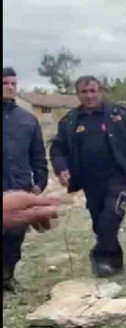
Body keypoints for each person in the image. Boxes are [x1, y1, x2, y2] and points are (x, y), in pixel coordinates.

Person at [49, 75, 126, 278]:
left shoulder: (119, 114)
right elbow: (57, 148)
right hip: (89, 180)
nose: (89, 96)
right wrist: (60, 167)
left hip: (119, 176)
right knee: (99, 222)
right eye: (84, 92)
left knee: (111, 215)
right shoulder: (70, 120)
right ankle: (112, 263)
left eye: (93, 91)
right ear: (77, 94)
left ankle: (100, 256)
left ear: (101, 91)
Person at [3, 66, 49, 292]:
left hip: (19, 186)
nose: (10, 87)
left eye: (13, 83)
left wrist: (40, 183)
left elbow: (38, 155)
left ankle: (7, 275)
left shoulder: (28, 120)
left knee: (15, 235)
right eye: (5, 83)